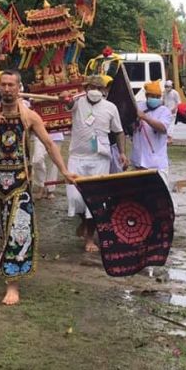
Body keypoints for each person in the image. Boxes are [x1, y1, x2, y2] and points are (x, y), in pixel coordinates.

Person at [0, 70, 74, 306]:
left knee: (18, 232)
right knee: (1, 231)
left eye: (11, 85)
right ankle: (7, 261)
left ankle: (13, 285)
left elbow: (49, 144)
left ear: (19, 88)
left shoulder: (29, 116)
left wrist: (65, 171)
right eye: (3, 85)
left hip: (19, 183)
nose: (7, 89)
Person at [62, 75, 127, 253]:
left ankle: (90, 238)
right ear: (86, 88)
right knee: (75, 198)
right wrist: (65, 96)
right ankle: (83, 221)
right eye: (92, 87)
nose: (96, 90)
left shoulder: (110, 108)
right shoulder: (77, 102)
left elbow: (119, 131)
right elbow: (67, 104)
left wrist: (122, 153)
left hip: (100, 159)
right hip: (77, 157)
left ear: (105, 90)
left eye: (100, 88)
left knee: (95, 200)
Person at [131, 80, 173, 187]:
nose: (155, 98)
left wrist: (145, 118)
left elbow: (162, 128)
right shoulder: (138, 107)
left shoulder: (164, 111)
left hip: (157, 163)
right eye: (152, 96)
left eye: (157, 96)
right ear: (146, 95)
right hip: (139, 161)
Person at [163, 80, 181, 145]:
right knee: (166, 124)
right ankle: (168, 138)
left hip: (172, 111)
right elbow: (163, 100)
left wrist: (175, 108)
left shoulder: (175, 93)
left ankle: (170, 138)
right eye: (166, 86)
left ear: (171, 86)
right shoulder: (164, 92)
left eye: (168, 86)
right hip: (165, 110)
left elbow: (178, 102)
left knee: (171, 124)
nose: (166, 88)